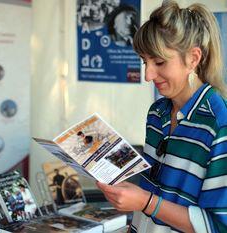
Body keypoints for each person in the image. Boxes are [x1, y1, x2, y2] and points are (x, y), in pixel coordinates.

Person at [97, 1, 227, 232]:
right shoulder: (157, 112)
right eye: (144, 61)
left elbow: (218, 226)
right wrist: (131, 199)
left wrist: (145, 202)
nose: (148, 75)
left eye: (159, 62)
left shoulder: (219, 123)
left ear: (193, 59)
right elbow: (156, 192)